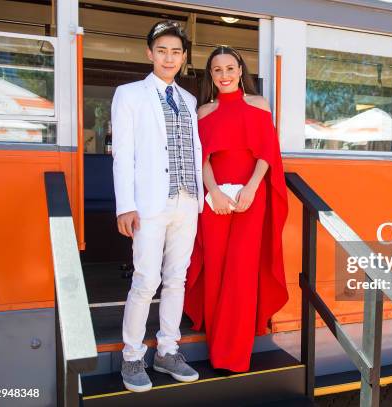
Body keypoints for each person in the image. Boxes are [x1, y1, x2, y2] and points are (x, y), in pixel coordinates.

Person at [111, 20, 203, 392]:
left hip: (187, 201)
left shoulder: (189, 100)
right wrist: (125, 205)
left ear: (183, 57)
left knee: (176, 279)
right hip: (148, 203)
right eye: (162, 50)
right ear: (149, 53)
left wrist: (200, 198)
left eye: (176, 51)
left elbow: (193, 151)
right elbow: (123, 155)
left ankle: (167, 350)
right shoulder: (129, 94)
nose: (169, 57)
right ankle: (132, 356)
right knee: (145, 280)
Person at [184, 46, 289, 373]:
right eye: (218, 70)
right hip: (215, 202)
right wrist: (213, 192)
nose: (225, 75)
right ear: (210, 76)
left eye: (231, 68)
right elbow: (201, 159)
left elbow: (267, 154)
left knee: (242, 273)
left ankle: (236, 354)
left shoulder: (259, 105)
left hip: (250, 199)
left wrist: (252, 189)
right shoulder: (203, 112)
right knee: (216, 271)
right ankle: (218, 349)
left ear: (241, 70)